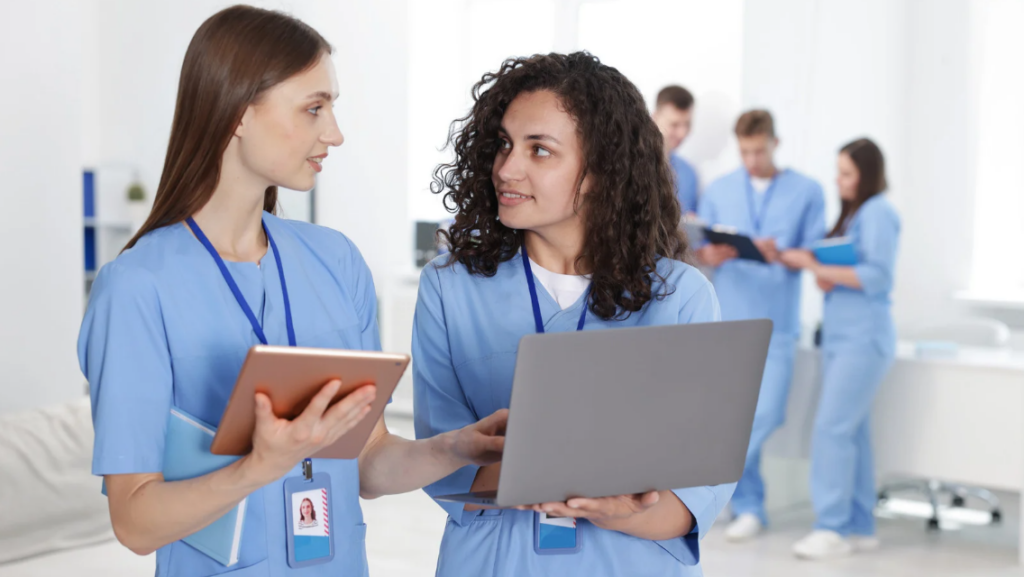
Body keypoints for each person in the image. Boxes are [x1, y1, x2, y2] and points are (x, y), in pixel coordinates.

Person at [78, 6, 506, 576]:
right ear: (238, 112)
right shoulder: (136, 288)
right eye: (313, 108)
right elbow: (135, 523)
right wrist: (258, 466)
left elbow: (367, 460)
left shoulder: (336, 261)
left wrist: (453, 448)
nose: (335, 133)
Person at [413, 51, 734, 577]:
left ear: (601, 172)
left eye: (539, 150)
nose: (506, 169)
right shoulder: (449, 287)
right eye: (504, 144)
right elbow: (440, 461)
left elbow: (700, 487)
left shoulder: (681, 294)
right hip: (495, 561)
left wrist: (620, 510)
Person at [696, 109, 826, 541]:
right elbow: (701, 246)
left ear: (775, 143)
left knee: (766, 413)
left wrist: (779, 253)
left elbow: (814, 255)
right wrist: (708, 255)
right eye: (745, 152)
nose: (752, 160)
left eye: (759, 151)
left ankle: (706, 483)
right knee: (731, 419)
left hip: (777, 324)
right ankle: (749, 507)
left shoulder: (807, 191)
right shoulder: (719, 189)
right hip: (729, 321)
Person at [780, 138, 900, 559]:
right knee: (854, 433)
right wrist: (826, 273)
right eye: (839, 173)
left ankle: (831, 527)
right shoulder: (854, 215)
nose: (839, 181)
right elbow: (848, 271)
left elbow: (878, 276)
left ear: (868, 175)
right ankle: (860, 526)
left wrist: (816, 266)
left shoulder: (878, 212)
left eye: (847, 174)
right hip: (841, 337)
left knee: (831, 429)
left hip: (863, 339)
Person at [652, 85, 699, 216]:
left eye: (687, 124)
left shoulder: (689, 174)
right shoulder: (630, 164)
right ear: (655, 118)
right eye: (674, 124)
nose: (682, 133)